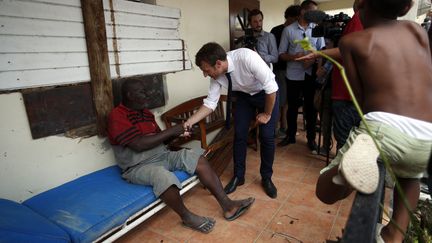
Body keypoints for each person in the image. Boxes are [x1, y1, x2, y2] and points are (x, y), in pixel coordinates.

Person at [315, 0, 432, 242]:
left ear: (360, 5)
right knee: (410, 177)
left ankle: (343, 172)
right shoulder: (417, 31)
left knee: (324, 190)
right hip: (426, 133)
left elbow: (361, 99)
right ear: (406, 6)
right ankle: (393, 236)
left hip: (383, 128)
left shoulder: (353, 42)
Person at [107, 79, 255, 233]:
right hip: (138, 166)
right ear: (130, 95)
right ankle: (187, 217)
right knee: (163, 177)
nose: (147, 95)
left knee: (198, 159)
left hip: (162, 155)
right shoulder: (117, 116)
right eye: (142, 92)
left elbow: (161, 139)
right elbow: (138, 144)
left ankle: (228, 205)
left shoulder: (146, 114)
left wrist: (179, 133)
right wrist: (172, 130)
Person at [184, 42, 279, 198]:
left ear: (219, 64)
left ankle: (267, 177)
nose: (205, 75)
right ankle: (238, 176)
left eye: (206, 70)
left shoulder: (247, 57)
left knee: (267, 137)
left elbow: (271, 88)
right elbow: (210, 103)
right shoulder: (217, 74)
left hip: (266, 94)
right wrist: (189, 122)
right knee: (239, 135)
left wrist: (267, 114)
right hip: (244, 96)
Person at [297, 0, 364, 151]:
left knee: (345, 142)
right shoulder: (359, 22)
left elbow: (346, 51)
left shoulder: (358, 21)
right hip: (338, 89)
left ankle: (343, 169)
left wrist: (317, 54)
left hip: (347, 93)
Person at [277, 0, 325, 153]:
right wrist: (294, 57)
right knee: (291, 107)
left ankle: (311, 139)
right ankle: (290, 136)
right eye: (313, 11)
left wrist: (315, 60)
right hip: (293, 74)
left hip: (311, 74)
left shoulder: (317, 29)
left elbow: (323, 50)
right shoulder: (288, 30)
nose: (316, 15)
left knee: (310, 108)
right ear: (303, 11)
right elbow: (281, 54)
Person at [271, 5, 301, 138]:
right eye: (296, 18)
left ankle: (285, 127)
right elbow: (275, 53)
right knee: (281, 101)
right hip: (280, 69)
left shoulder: (297, 31)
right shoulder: (277, 31)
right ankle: (278, 128)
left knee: (288, 101)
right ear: (289, 17)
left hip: (294, 70)